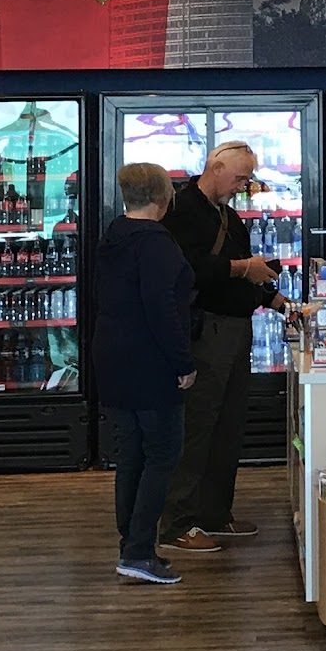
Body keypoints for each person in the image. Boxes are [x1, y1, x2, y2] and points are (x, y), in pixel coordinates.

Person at [161, 141, 279, 555]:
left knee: (227, 428)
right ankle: (176, 523)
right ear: (215, 168)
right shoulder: (181, 209)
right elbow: (186, 269)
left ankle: (214, 513)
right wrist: (243, 268)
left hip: (235, 330)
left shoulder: (228, 216)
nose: (243, 186)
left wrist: (277, 301)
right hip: (205, 332)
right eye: (240, 178)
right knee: (197, 428)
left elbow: (243, 274)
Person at [93, 161, 197, 586]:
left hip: (113, 359)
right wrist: (183, 362)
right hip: (151, 363)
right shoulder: (156, 243)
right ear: (162, 196)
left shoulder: (113, 236)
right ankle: (138, 550)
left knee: (130, 455)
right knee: (162, 454)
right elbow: (162, 310)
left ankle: (130, 545)